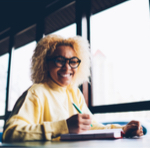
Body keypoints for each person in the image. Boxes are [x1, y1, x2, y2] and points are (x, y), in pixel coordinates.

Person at [2, 34, 143, 142]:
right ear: (45, 64)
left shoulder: (74, 92)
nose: (67, 67)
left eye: (73, 61)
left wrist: (123, 129)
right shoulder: (36, 93)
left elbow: (92, 126)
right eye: (59, 60)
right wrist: (64, 126)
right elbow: (10, 133)